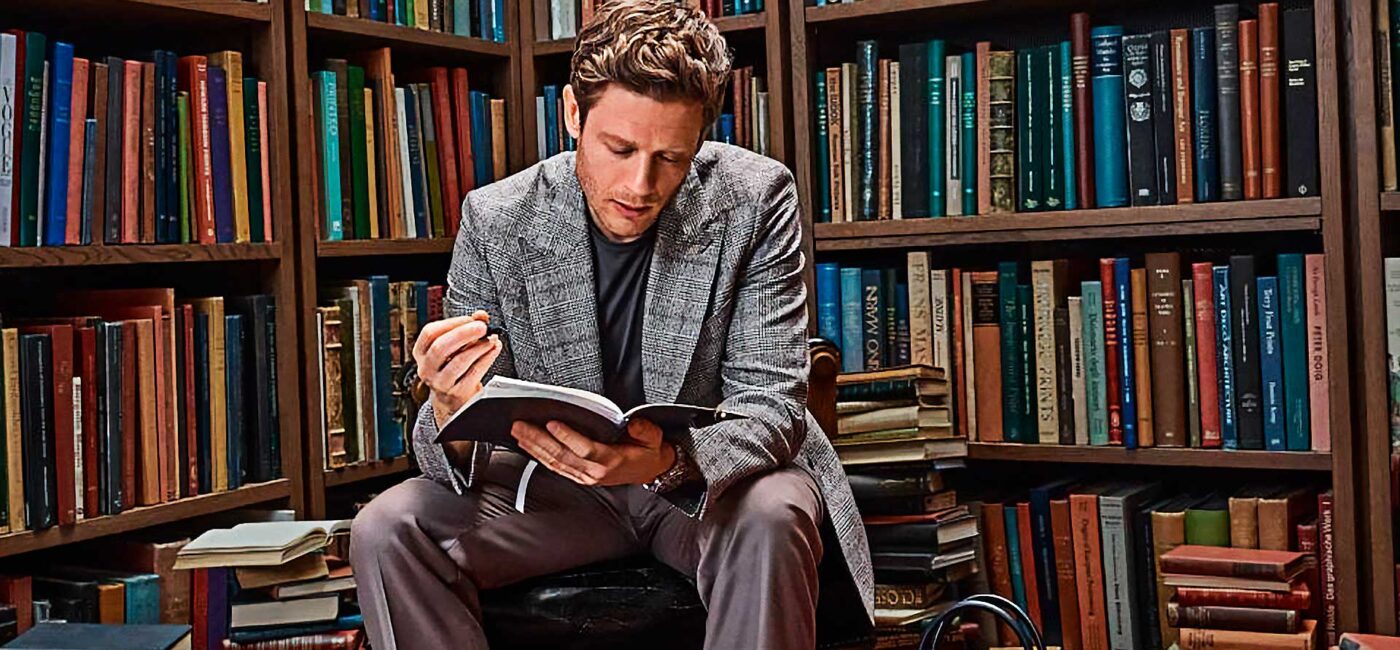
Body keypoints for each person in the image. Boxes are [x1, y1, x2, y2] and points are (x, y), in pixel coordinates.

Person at [349, 1, 872, 648]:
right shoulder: (496, 218)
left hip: (703, 487)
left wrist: (668, 460)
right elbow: (452, 450)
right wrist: (451, 407)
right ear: (573, 113)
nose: (641, 184)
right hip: (556, 494)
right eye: (619, 148)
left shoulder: (758, 197)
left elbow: (772, 411)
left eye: (672, 158)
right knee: (387, 527)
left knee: (776, 506)